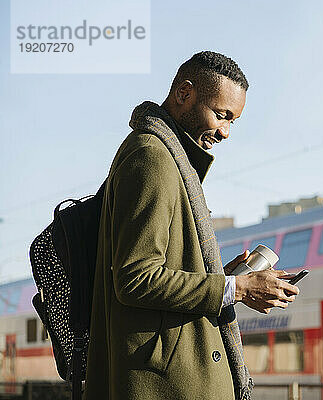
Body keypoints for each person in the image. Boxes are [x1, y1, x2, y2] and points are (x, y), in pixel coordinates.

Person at [83, 51, 299, 400]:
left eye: (233, 121)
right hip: (162, 384)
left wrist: (223, 277)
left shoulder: (166, 155)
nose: (225, 132)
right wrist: (236, 288)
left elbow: (159, 269)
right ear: (185, 93)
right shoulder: (152, 156)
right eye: (221, 115)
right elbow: (135, 278)